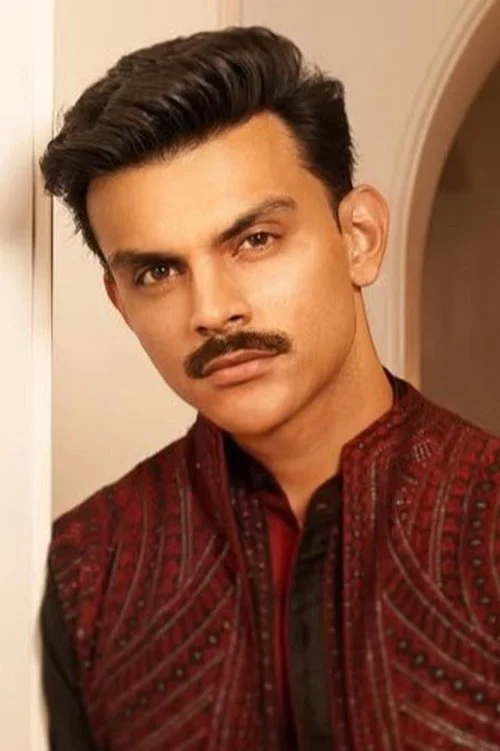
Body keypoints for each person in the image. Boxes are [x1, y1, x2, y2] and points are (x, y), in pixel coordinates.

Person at [39, 25, 500, 751]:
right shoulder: (88, 568)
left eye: (254, 241)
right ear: (120, 303)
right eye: (158, 272)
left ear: (359, 238)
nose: (212, 310)